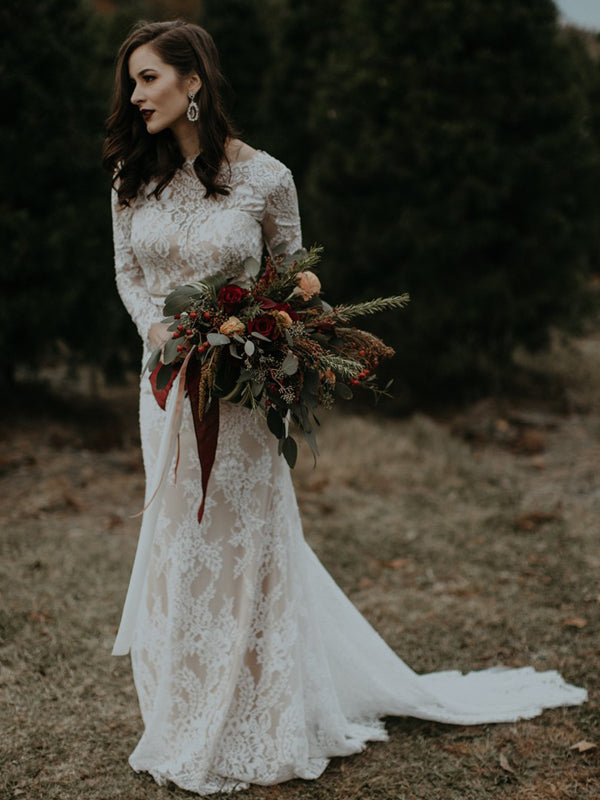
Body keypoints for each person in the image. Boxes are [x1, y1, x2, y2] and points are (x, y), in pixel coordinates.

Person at [103, 19, 587, 796]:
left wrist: (262, 341)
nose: (135, 95)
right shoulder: (132, 178)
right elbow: (129, 273)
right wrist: (156, 326)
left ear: (193, 84)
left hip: (238, 395)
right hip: (166, 387)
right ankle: (181, 713)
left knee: (242, 546)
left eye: (149, 78)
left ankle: (254, 718)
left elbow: (294, 281)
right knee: (177, 544)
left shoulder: (266, 178)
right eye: (132, 81)